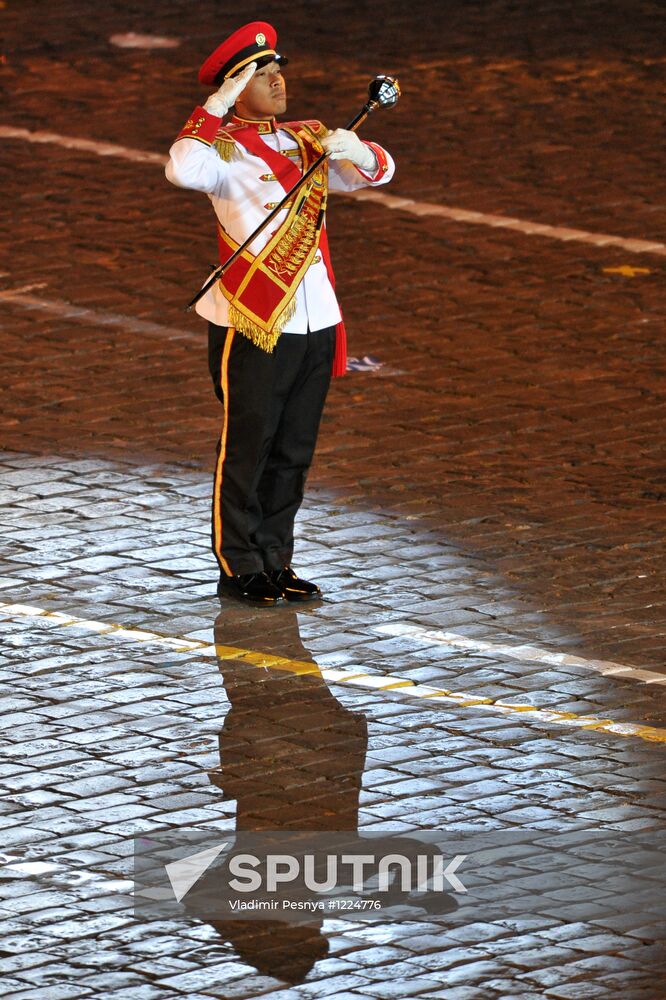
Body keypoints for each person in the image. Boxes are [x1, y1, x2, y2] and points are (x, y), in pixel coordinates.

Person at [166, 21, 395, 606]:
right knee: (249, 446)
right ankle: (239, 563)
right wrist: (213, 105)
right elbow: (181, 169)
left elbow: (373, 176)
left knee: (294, 449)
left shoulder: (307, 138)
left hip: (316, 318)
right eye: (259, 76)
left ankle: (275, 557)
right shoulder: (222, 150)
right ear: (235, 89)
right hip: (255, 318)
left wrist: (360, 150)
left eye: (277, 72)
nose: (277, 82)